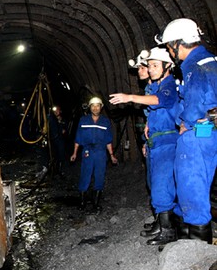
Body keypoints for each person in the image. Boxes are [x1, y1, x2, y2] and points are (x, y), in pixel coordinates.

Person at [155, 18, 217, 245]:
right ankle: (187, 236)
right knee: (201, 179)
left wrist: (185, 122)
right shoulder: (211, 60)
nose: (171, 52)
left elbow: (196, 100)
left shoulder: (193, 65)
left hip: (198, 131)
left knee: (190, 182)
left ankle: (197, 244)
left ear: (178, 44)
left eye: (170, 46)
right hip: (210, 130)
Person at [109, 47, 179, 245]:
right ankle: (162, 224)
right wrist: (148, 126)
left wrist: (130, 97)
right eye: (149, 65)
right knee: (157, 184)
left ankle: (168, 230)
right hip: (157, 142)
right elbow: (156, 111)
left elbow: (160, 101)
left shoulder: (168, 85)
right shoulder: (157, 86)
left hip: (167, 141)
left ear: (167, 67)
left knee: (163, 184)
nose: (149, 69)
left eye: (154, 65)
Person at [70, 96, 118, 212]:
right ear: (90, 107)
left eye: (98, 106)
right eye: (93, 106)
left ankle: (96, 203)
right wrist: (74, 153)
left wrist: (111, 155)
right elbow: (78, 138)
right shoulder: (83, 120)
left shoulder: (105, 122)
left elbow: (108, 140)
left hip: (101, 152)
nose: (95, 108)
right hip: (87, 151)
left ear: (101, 107)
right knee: (85, 175)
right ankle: (82, 202)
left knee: (100, 176)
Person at [47, 105, 68, 177]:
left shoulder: (63, 120)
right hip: (52, 140)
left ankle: (60, 170)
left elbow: (65, 130)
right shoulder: (51, 119)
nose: (56, 112)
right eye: (55, 110)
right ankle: (52, 170)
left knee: (61, 155)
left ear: (60, 111)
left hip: (60, 140)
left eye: (58, 110)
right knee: (53, 155)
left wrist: (63, 129)